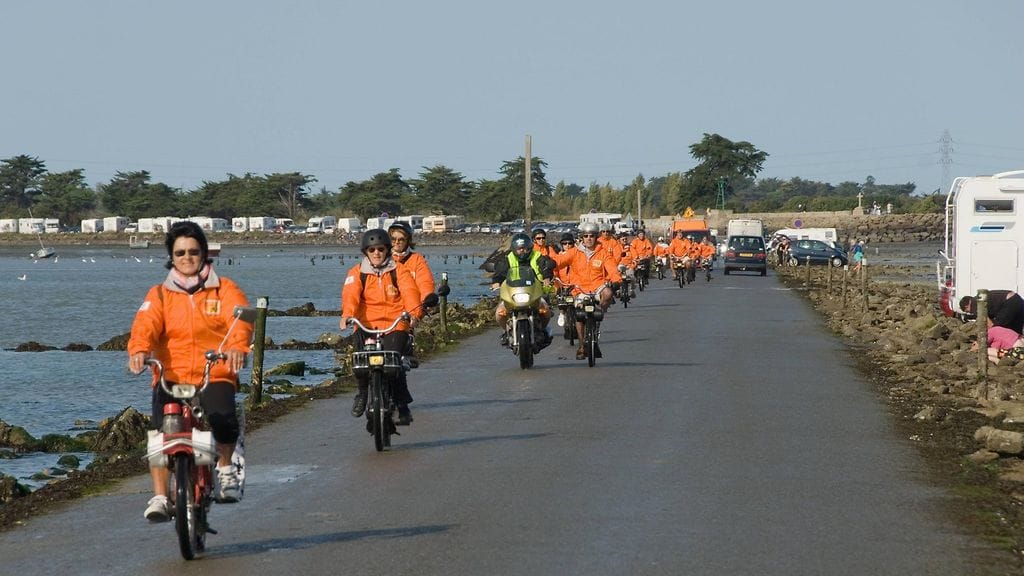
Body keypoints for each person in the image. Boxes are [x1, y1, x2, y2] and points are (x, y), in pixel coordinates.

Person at [128, 221, 253, 522]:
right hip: (171, 375)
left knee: (222, 419)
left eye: (194, 251)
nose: (187, 257)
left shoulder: (225, 289)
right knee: (160, 435)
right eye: (180, 252)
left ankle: (226, 468)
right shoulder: (159, 294)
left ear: (204, 253)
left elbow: (240, 321)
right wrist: (139, 351)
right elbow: (145, 325)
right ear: (171, 256)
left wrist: (237, 347)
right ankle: (160, 495)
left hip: (214, 371)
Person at [342, 229, 424, 426]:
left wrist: (414, 313)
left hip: (395, 323)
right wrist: (347, 315)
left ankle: (402, 406)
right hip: (366, 324)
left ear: (387, 249)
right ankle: (362, 394)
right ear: (366, 252)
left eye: (380, 249)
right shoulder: (356, 272)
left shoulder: (399, 270)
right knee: (360, 362)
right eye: (372, 250)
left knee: (393, 363)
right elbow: (350, 295)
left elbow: (410, 292)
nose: (377, 253)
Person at [555, 222, 622, 360]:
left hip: (598, 286)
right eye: (586, 236)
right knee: (579, 314)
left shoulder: (603, 253)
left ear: (596, 237)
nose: (589, 238)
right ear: (582, 237)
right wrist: (547, 264)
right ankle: (581, 346)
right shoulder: (574, 252)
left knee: (608, 293)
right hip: (580, 288)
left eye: (592, 236)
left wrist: (616, 280)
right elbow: (558, 261)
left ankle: (599, 316)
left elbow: (612, 269)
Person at [491, 232, 556, 346]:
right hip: (514, 292)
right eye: (519, 248)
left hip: (535, 291)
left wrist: (546, 277)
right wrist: (496, 282)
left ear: (529, 247)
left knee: (546, 311)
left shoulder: (537, 256)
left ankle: (543, 330)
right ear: (514, 249)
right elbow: (500, 271)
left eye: (524, 248)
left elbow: (546, 264)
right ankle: (506, 332)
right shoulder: (508, 258)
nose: (522, 251)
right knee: (499, 313)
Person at [388, 221, 436, 366]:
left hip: (406, 315)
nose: (396, 242)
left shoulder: (416, 260)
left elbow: (425, 284)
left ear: (408, 240)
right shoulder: (382, 259)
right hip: (384, 312)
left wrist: (418, 311)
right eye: (393, 239)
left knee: (400, 358)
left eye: (401, 239)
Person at [960, 290, 1024, 334]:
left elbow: (985, 319)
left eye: (968, 311)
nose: (971, 312)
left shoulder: (975, 303)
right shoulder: (981, 298)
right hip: (1017, 299)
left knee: (998, 328)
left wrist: (991, 329)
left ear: (966, 306)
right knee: (1016, 330)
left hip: (1010, 303)